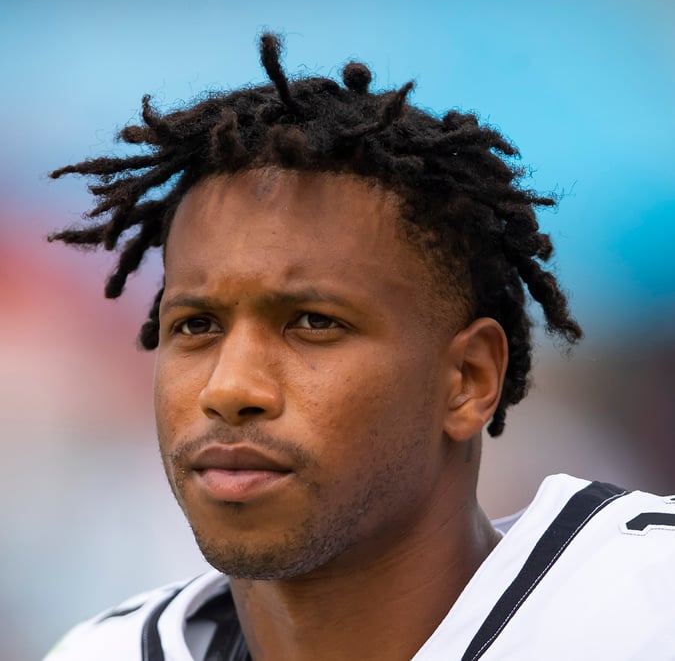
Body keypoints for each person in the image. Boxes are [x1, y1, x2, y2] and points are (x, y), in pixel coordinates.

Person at [44, 34, 674, 661]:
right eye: (197, 325)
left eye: (313, 322)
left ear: (469, 378)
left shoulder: (649, 605)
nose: (229, 388)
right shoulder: (99, 653)